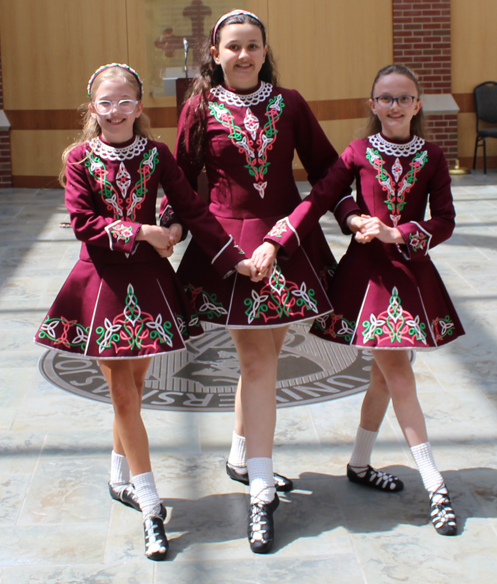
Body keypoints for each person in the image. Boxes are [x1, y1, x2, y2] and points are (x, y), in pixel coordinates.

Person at [34, 63, 258, 561]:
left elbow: (188, 207)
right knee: (124, 399)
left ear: (140, 106)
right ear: (92, 107)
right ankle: (152, 505)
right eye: (106, 103)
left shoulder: (157, 154)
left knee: (133, 391)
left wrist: (192, 239)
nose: (116, 112)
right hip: (105, 287)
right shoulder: (78, 158)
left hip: (151, 285)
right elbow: (83, 223)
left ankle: (119, 474)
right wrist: (142, 233)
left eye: (126, 102)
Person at [166, 10, 349, 553]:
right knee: (258, 362)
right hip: (229, 250)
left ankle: (241, 457)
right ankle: (263, 492)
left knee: (266, 356)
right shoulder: (198, 107)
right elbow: (179, 178)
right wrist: (165, 228)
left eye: (253, 46)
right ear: (215, 54)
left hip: (288, 244)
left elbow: (329, 170)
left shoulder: (290, 103)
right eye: (233, 47)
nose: (243, 56)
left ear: (266, 51)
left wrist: (349, 217)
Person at [257, 64, 464, 536]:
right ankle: (435, 484)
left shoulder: (432, 155)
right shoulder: (358, 151)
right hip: (368, 278)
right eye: (385, 98)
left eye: (403, 98)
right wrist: (295, 236)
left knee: (385, 376)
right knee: (397, 371)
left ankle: (359, 463)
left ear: (417, 105)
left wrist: (401, 232)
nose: (394, 106)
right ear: (372, 105)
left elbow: (446, 220)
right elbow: (325, 196)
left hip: (409, 273)